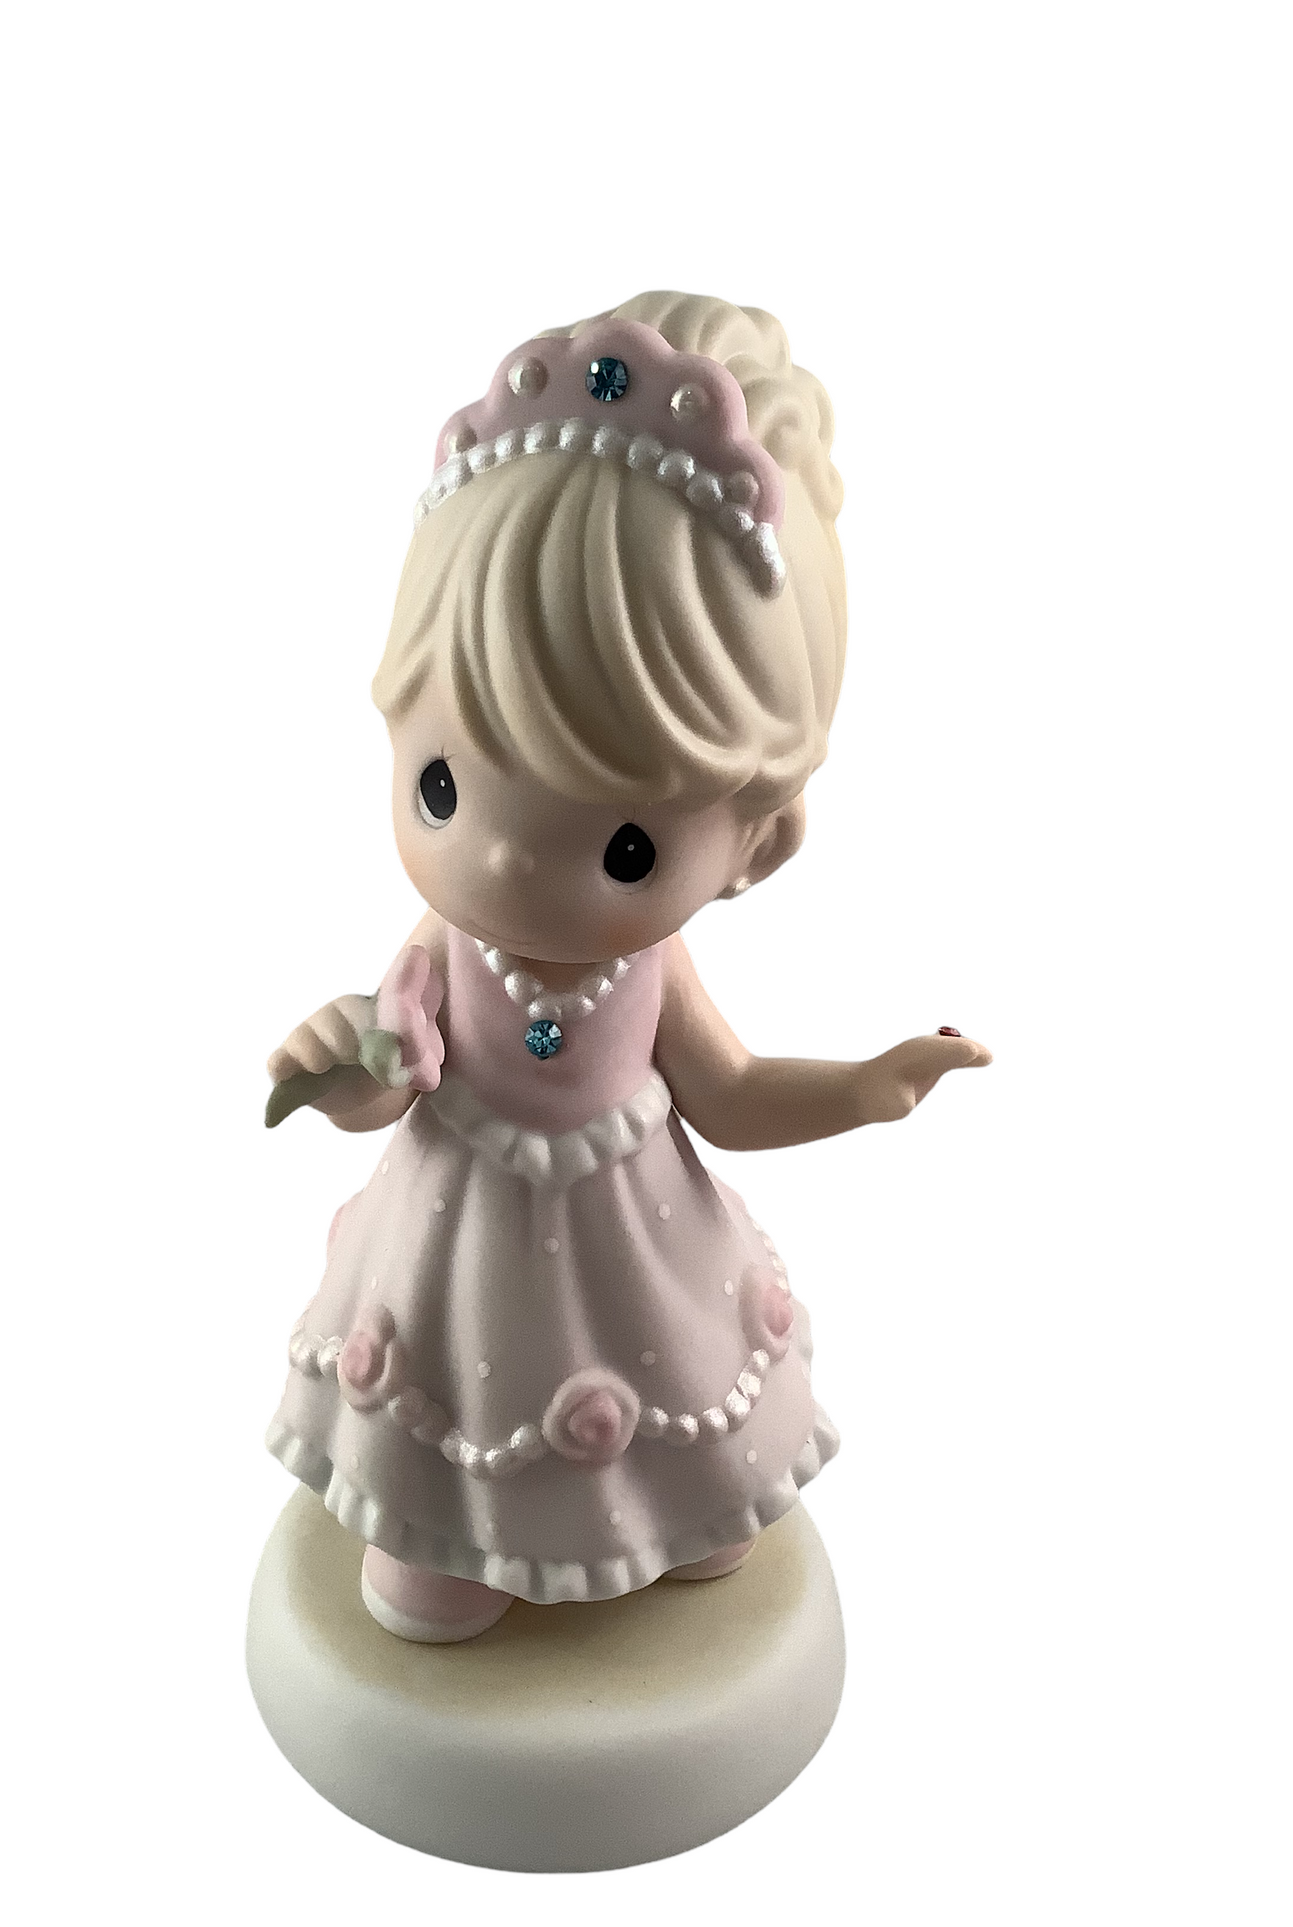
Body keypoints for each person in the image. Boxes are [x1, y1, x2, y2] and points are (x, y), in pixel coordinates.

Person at [264, 292, 990, 1642]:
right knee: (449, 1471)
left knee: (688, 1464)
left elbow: (731, 1092)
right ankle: (448, 1542)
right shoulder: (443, 951)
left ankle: (678, 1510)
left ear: (756, 841)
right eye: (441, 784)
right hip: (460, 1241)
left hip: (635, 1241)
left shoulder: (652, 972)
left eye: (624, 845)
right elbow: (388, 1075)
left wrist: (863, 1087)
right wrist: (338, 1067)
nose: (499, 862)